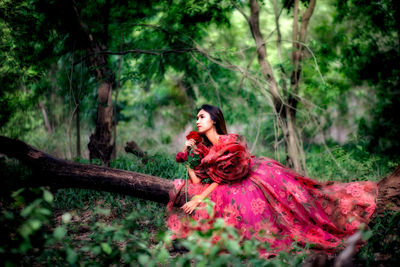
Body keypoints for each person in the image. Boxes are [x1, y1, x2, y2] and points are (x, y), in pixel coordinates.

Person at [166, 104, 377, 257]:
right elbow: (197, 180)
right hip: (226, 183)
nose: (197, 121)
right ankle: (194, 239)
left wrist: (198, 199)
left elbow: (222, 178)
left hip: (258, 174)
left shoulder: (229, 142)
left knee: (298, 198)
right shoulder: (206, 150)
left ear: (213, 119)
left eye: (201, 117)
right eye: (197, 118)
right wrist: (188, 157)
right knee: (214, 201)